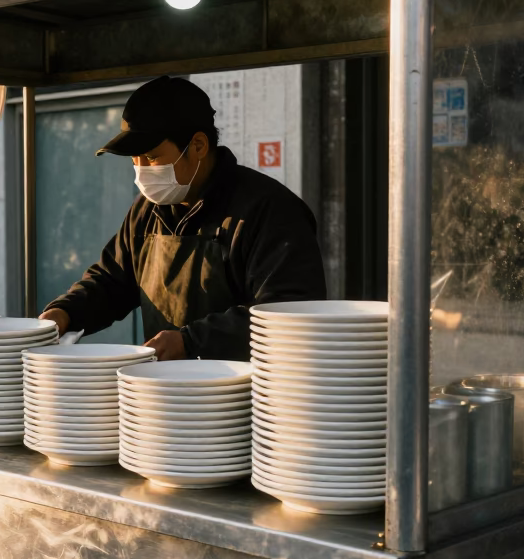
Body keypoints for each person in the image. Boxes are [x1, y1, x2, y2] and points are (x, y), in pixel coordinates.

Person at [39, 76, 327, 361]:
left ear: (198, 146)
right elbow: (111, 281)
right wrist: (65, 312)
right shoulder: (146, 211)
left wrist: (191, 342)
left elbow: (290, 311)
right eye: (134, 160)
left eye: (151, 158)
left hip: (250, 397)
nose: (141, 171)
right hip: (166, 391)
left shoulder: (269, 210)